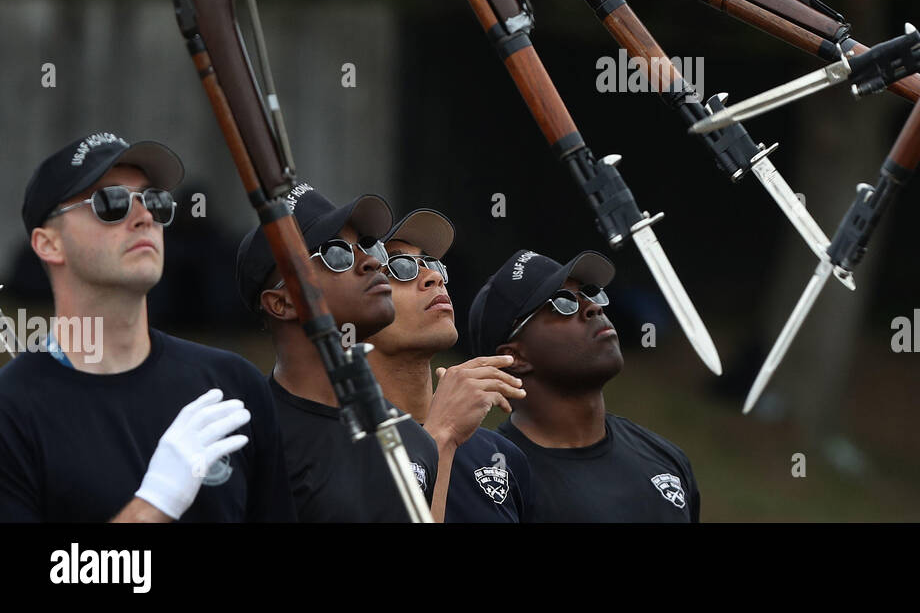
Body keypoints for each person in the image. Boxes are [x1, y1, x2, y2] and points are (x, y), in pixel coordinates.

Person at [0, 131, 294, 522]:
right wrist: (155, 504)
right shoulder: (11, 410)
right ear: (48, 244)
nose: (144, 217)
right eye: (111, 202)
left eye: (154, 201)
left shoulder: (232, 385)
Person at [236, 183, 441, 522]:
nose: (371, 263)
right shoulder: (249, 436)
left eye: (368, 247)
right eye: (336, 253)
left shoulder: (415, 442)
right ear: (281, 301)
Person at [469, 248, 700, 522]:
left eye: (589, 293)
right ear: (515, 357)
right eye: (563, 302)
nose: (593, 307)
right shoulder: (495, 481)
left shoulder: (665, 459)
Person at [365, 208, 530, 521]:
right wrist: (441, 437)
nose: (435, 277)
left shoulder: (500, 456)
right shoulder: (335, 450)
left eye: (432, 264)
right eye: (400, 266)